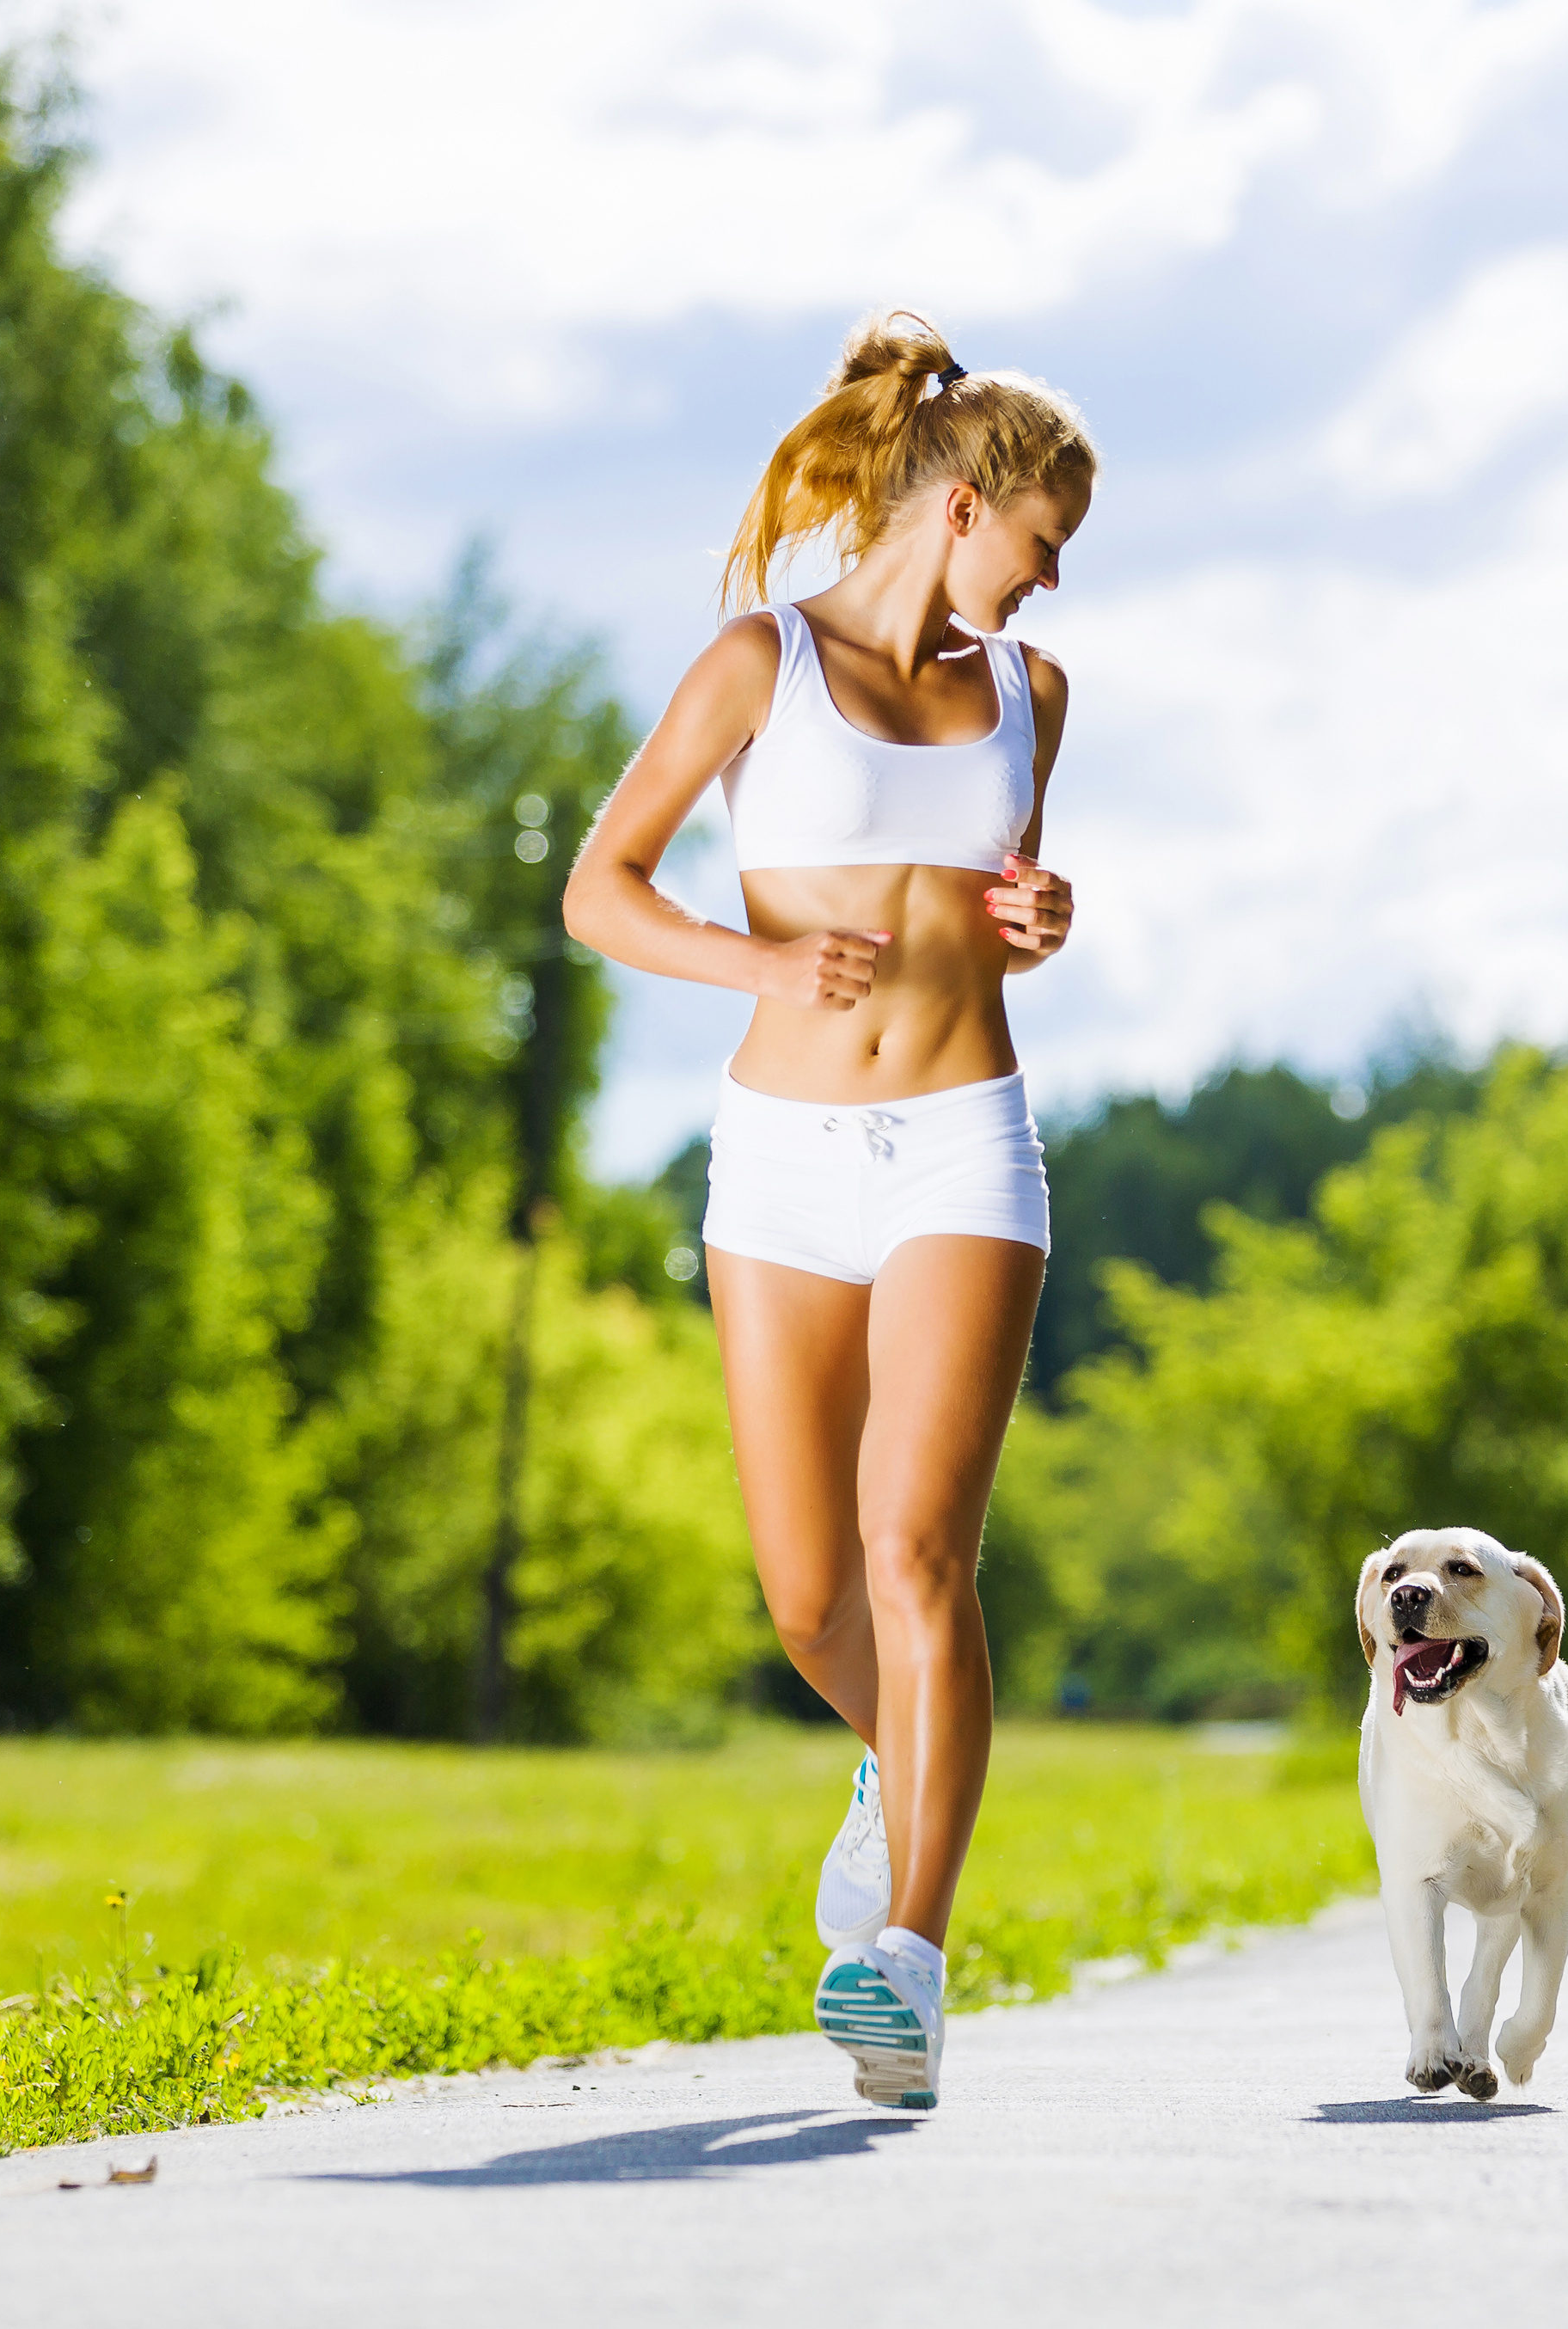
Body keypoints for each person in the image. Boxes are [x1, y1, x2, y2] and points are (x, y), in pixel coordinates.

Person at [560, 311, 1096, 2111]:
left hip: (961, 1143)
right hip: (778, 1162)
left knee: (915, 1556)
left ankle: (911, 1962)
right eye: (1040, 542)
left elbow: (1006, 891)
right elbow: (597, 890)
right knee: (807, 1599)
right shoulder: (753, 665)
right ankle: (899, 1767)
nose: (1047, 582)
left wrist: (1041, 914)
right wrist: (756, 956)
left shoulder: (1032, 693)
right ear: (962, 505)